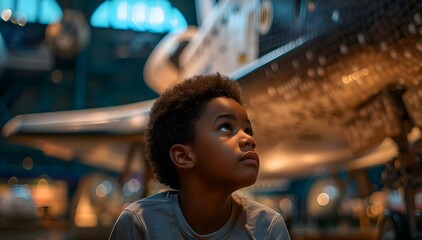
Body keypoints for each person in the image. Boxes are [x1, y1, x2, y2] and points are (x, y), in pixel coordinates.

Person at [109, 73, 290, 239]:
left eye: (248, 130)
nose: (248, 139)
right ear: (183, 156)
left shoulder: (267, 227)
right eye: (226, 127)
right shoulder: (140, 223)